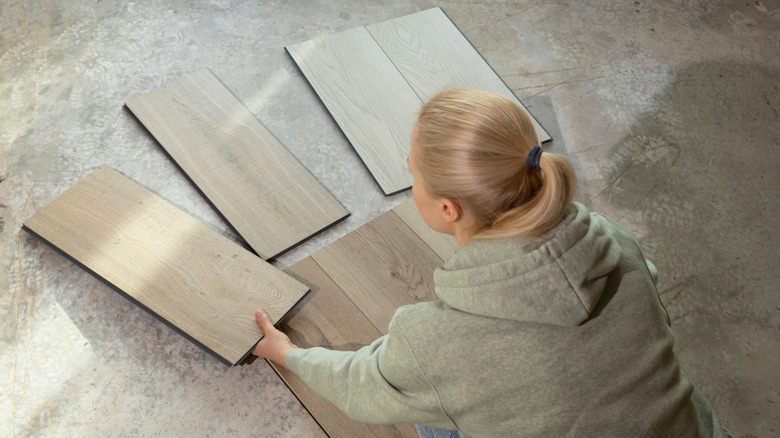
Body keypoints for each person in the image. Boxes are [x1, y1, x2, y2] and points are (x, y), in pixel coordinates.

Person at [252, 89, 731, 437]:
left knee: (433, 409)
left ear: (447, 209)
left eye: (414, 174)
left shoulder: (432, 340)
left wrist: (287, 353)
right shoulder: (614, 242)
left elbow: (363, 386)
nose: (413, 182)